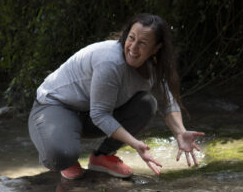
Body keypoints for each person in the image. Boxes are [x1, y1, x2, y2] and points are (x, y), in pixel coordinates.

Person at [28, 13, 204, 181]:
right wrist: (135, 143)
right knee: (62, 156)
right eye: (131, 38)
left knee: (147, 103)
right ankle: (64, 152)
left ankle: (102, 156)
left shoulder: (154, 67)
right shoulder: (110, 62)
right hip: (56, 106)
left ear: (156, 48)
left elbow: (166, 101)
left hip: (90, 115)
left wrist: (180, 132)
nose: (133, 48)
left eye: (142, 43)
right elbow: (100, 114)